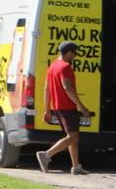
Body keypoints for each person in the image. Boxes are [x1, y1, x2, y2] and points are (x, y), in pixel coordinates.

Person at [36, 41, 94, 175]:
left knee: (72, 136)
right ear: (68, 52)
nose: (75, 56)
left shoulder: (52, 67)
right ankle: (46, 155)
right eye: (74, 53)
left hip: (58, 108)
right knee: (73, 137)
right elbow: (67, 87)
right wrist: (82, 107)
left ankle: (76, 166)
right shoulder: (65, 67)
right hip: (67, 107)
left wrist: (47, 109)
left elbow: (46, 89)